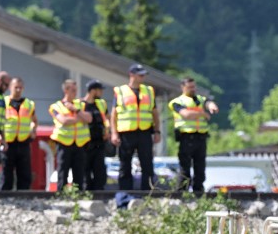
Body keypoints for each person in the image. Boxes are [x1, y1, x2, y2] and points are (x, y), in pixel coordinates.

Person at [110, 63, 160, 191]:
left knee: (147, 164)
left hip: (144, 132)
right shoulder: (120, 91)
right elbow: (114, 114)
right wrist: (114, 133)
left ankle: (147, 192)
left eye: (143, 74)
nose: (143, 77)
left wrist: (157, 131)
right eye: (140, 74)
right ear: (131, 74)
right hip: (126, 133)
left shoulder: (148, 91)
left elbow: (154, 112)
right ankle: (126, 192)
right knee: (125, 164)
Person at [168, 77, 218, 194]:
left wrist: (211, 106)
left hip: (200, 137)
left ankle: (198, 191)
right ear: (183, 87)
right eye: (190, 87)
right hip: (186, 137)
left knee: (200, 167)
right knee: (185, 168)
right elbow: (186, 114)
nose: (193, 89)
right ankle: (182, 192)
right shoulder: (177, 102)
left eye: (194, 87)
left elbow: (208, 102)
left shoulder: (200, 99)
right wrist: (202, 114)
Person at [49, 79, 92, 192]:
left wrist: (75, 110)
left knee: (79, 171)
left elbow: (89, 118)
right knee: (63, 170)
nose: (75, 93)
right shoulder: (56, 106)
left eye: (76, 90)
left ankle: (78, 194)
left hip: (80, 143)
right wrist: (79, 119)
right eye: (73, 90)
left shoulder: (81, 105)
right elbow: (63, 121)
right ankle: (61, 194)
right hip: (64, 143)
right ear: (66, 90)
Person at [0, 77, 37, 191]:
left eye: (20, 88)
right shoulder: (3, 102)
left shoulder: (29, 104)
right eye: (16, 87)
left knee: (24, 172)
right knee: (7, 172)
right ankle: (5, 195)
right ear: (10, 87)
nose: (18, 90)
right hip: (8, 142)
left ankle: (24, 195)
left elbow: (34, 120)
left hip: (23, 142)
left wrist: (33, 130)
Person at [82, 80, 110, 191]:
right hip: (85, 143)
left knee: (100, 171)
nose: (102, 92)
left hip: (99, 142)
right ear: (93, 91)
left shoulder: (101, 103)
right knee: (85, 170)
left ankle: (99, 192)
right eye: (100, 90)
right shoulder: (80, 104)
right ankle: (86, 193)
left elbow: (107, 118)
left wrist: (108, 131)